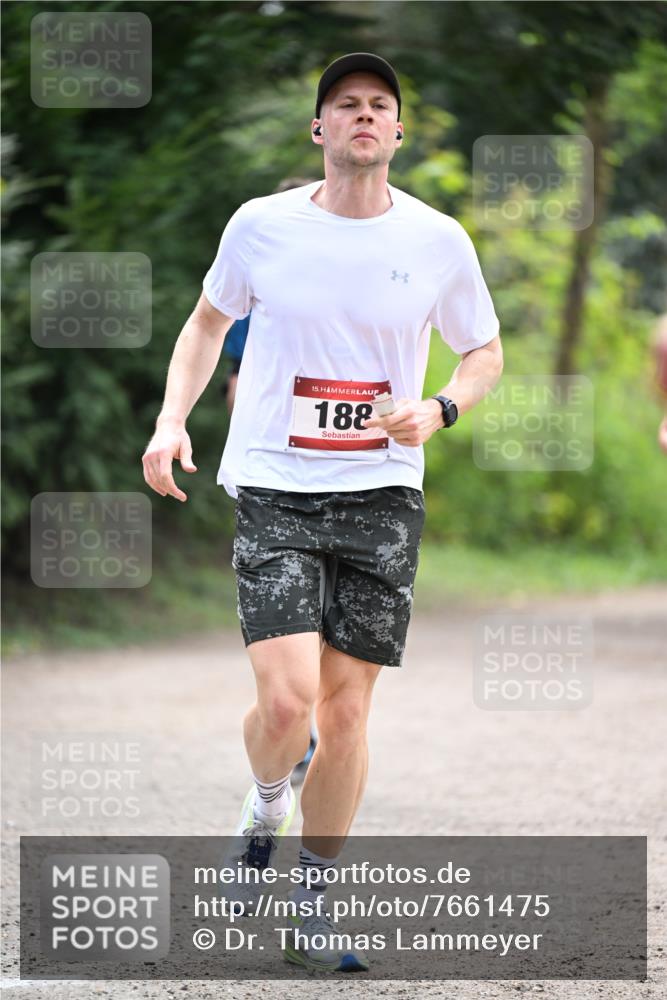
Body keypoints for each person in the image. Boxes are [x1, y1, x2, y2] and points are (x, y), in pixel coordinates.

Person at [142, 51, 503, 973]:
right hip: (274, 482)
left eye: (379, 105)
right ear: (319, 129)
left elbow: (482, 352)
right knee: (287, 701)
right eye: (345, 105)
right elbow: (204, 324)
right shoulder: (261, 226)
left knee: (345, 716)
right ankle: (266, 799)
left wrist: (439, 408)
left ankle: (315, 904)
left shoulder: (438, 240)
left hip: (382, 492)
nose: (363, 116)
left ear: (398, 130)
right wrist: (171, 420)